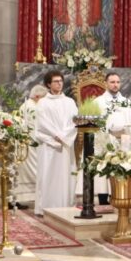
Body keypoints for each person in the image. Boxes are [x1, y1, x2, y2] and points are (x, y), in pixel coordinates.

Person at [34, 71, 78, 216]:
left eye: (61, 81)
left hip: (65, 145)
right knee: (48, 175)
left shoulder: (69, 102)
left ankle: (65, 205)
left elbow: (74, 122)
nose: (59, 84)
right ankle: (46, 207)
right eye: (56, 81)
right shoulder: (43, 102)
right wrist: (56, 135)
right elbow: (42, 123)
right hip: (49, 145)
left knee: (66, 176)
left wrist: (64, 136)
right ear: (48, 84)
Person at [94, 71, 131, 203]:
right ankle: (103, 198)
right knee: (104, 168)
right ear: (106, 83)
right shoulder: (98, 102)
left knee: (121, 166)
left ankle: (119, 195)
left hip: (123, 140)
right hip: (106, 139)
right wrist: (109, 132)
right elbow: (96, 123)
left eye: (117, 82)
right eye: (112, 82)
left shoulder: (127, 102)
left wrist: (127, 134)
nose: (115, 85)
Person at [14, 84, 48, 208]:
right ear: (37, 96)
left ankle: (20, 198)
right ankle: (28, 197)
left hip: (28, 144)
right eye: (44, 98)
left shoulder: (26, 105)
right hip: (31, 144)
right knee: (33, 171)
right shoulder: (32, 107)